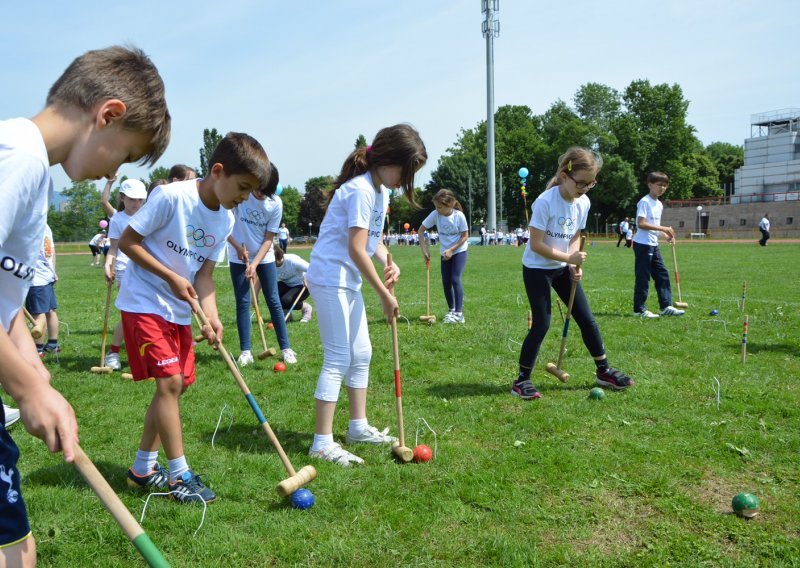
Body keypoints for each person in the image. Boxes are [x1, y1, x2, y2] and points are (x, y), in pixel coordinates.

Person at [0, 44, 170, 565]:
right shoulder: (18, 157)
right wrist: (27, 390)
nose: (108, 176)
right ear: (108, 115)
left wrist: (32, 370)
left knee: (17, 546)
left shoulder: (29, 165)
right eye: (121, 156)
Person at [116, 132, 269, 504]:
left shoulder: (225, 222)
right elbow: (128, 242)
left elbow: (203, 275)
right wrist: (170, 276)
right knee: (169, 384)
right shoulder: (171, 197)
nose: (244, 197)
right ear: (217, 171)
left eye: (251, 192)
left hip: (180, 311)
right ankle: (178, 474)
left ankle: (141, 469)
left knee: (176, 386)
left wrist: (212, 318)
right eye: (242, 187)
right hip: (143, 302)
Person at [305, 124, 427, 466]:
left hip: (346, 280)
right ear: (388, 159)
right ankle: (321, 442)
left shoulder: (379, 192)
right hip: (330, 278)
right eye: (407, 170)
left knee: (362, 353)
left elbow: (372, 241)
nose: (406, 180)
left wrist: (390, 260)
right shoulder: (359, 190)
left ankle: (357, 426)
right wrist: (383, 296)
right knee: (338, 358)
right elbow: (356, 249)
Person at [513, 147, 634, 401]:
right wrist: (569, 258)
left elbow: (576, 234)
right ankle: (522, 380)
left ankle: (604, 370)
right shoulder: (545, 202)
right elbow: (536, 245)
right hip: (537, 269)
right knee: (543, 323)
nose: (586, 188)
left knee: (586, 318)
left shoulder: (583, 202)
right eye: (582, 183)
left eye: (591, 183)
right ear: (565, 175)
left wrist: (570, 264)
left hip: (561, 269)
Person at [227, 164, 297, 367]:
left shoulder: (275, 204)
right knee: (243, 302)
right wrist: (237, 249)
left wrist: (255, 263)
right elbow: (223, 225)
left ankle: (286, 348)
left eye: (264, 191)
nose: (258, 194)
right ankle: (246, 351)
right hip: (237, 253)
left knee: (273, 300)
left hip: (263, 256)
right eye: (257, 189)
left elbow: (268, 239)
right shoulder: (243, 195)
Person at [102, 178, 148, 370]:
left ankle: (143, 353)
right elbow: (113, 249)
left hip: (146, 267)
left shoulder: (148, 215)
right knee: (130, 312)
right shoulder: (117, 220)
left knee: (145, 312)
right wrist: (107, 264)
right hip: (123, 268)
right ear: (122, 198)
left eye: (139, 200)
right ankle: (113, 353)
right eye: (131, 199)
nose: (136, 204)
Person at [632, 172, 684, 318]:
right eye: (659, 185)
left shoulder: (659, 204)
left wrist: (665, 236)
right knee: (643, 277)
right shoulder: (644, 201)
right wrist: (664, 228)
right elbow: (641, 224)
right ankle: (639, 310)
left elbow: (653, 226)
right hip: (642, 244)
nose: (662, 188)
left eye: (665, 185)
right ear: (650, 185)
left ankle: (665, 306)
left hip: (652, 244)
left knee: (662, 274)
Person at [419, 189, 469, 323]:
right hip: (444, 252)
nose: (437, 210)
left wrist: (451, 250)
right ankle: (451, 310)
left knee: (455, 278)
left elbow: (465, 236)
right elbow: (421, 231)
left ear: (451, 204)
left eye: (440, 207)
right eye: (436, 207)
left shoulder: (459, 216)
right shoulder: (435, 214)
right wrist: (424, 251)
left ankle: (459, 314)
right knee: (446, 281)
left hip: (459, 251)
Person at [25, 224, 60, 357]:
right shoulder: (45, 226)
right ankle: (52, 344)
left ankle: (38, 348)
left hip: (36, 278)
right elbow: (52, 250)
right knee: (50, 311)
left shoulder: (29, 226)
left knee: (38, 314)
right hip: (46, 274)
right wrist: (53, 271)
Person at [275, 247, 312, 322]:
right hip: (287, 284)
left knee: (286, 300)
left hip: (302, 285)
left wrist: (306, 278)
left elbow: (311, 268)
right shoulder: (269, 264)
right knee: (272, 294)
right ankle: (286, 316)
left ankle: (306, 308)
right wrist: (255, 296)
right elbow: (260, 279)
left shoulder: (292, 260)